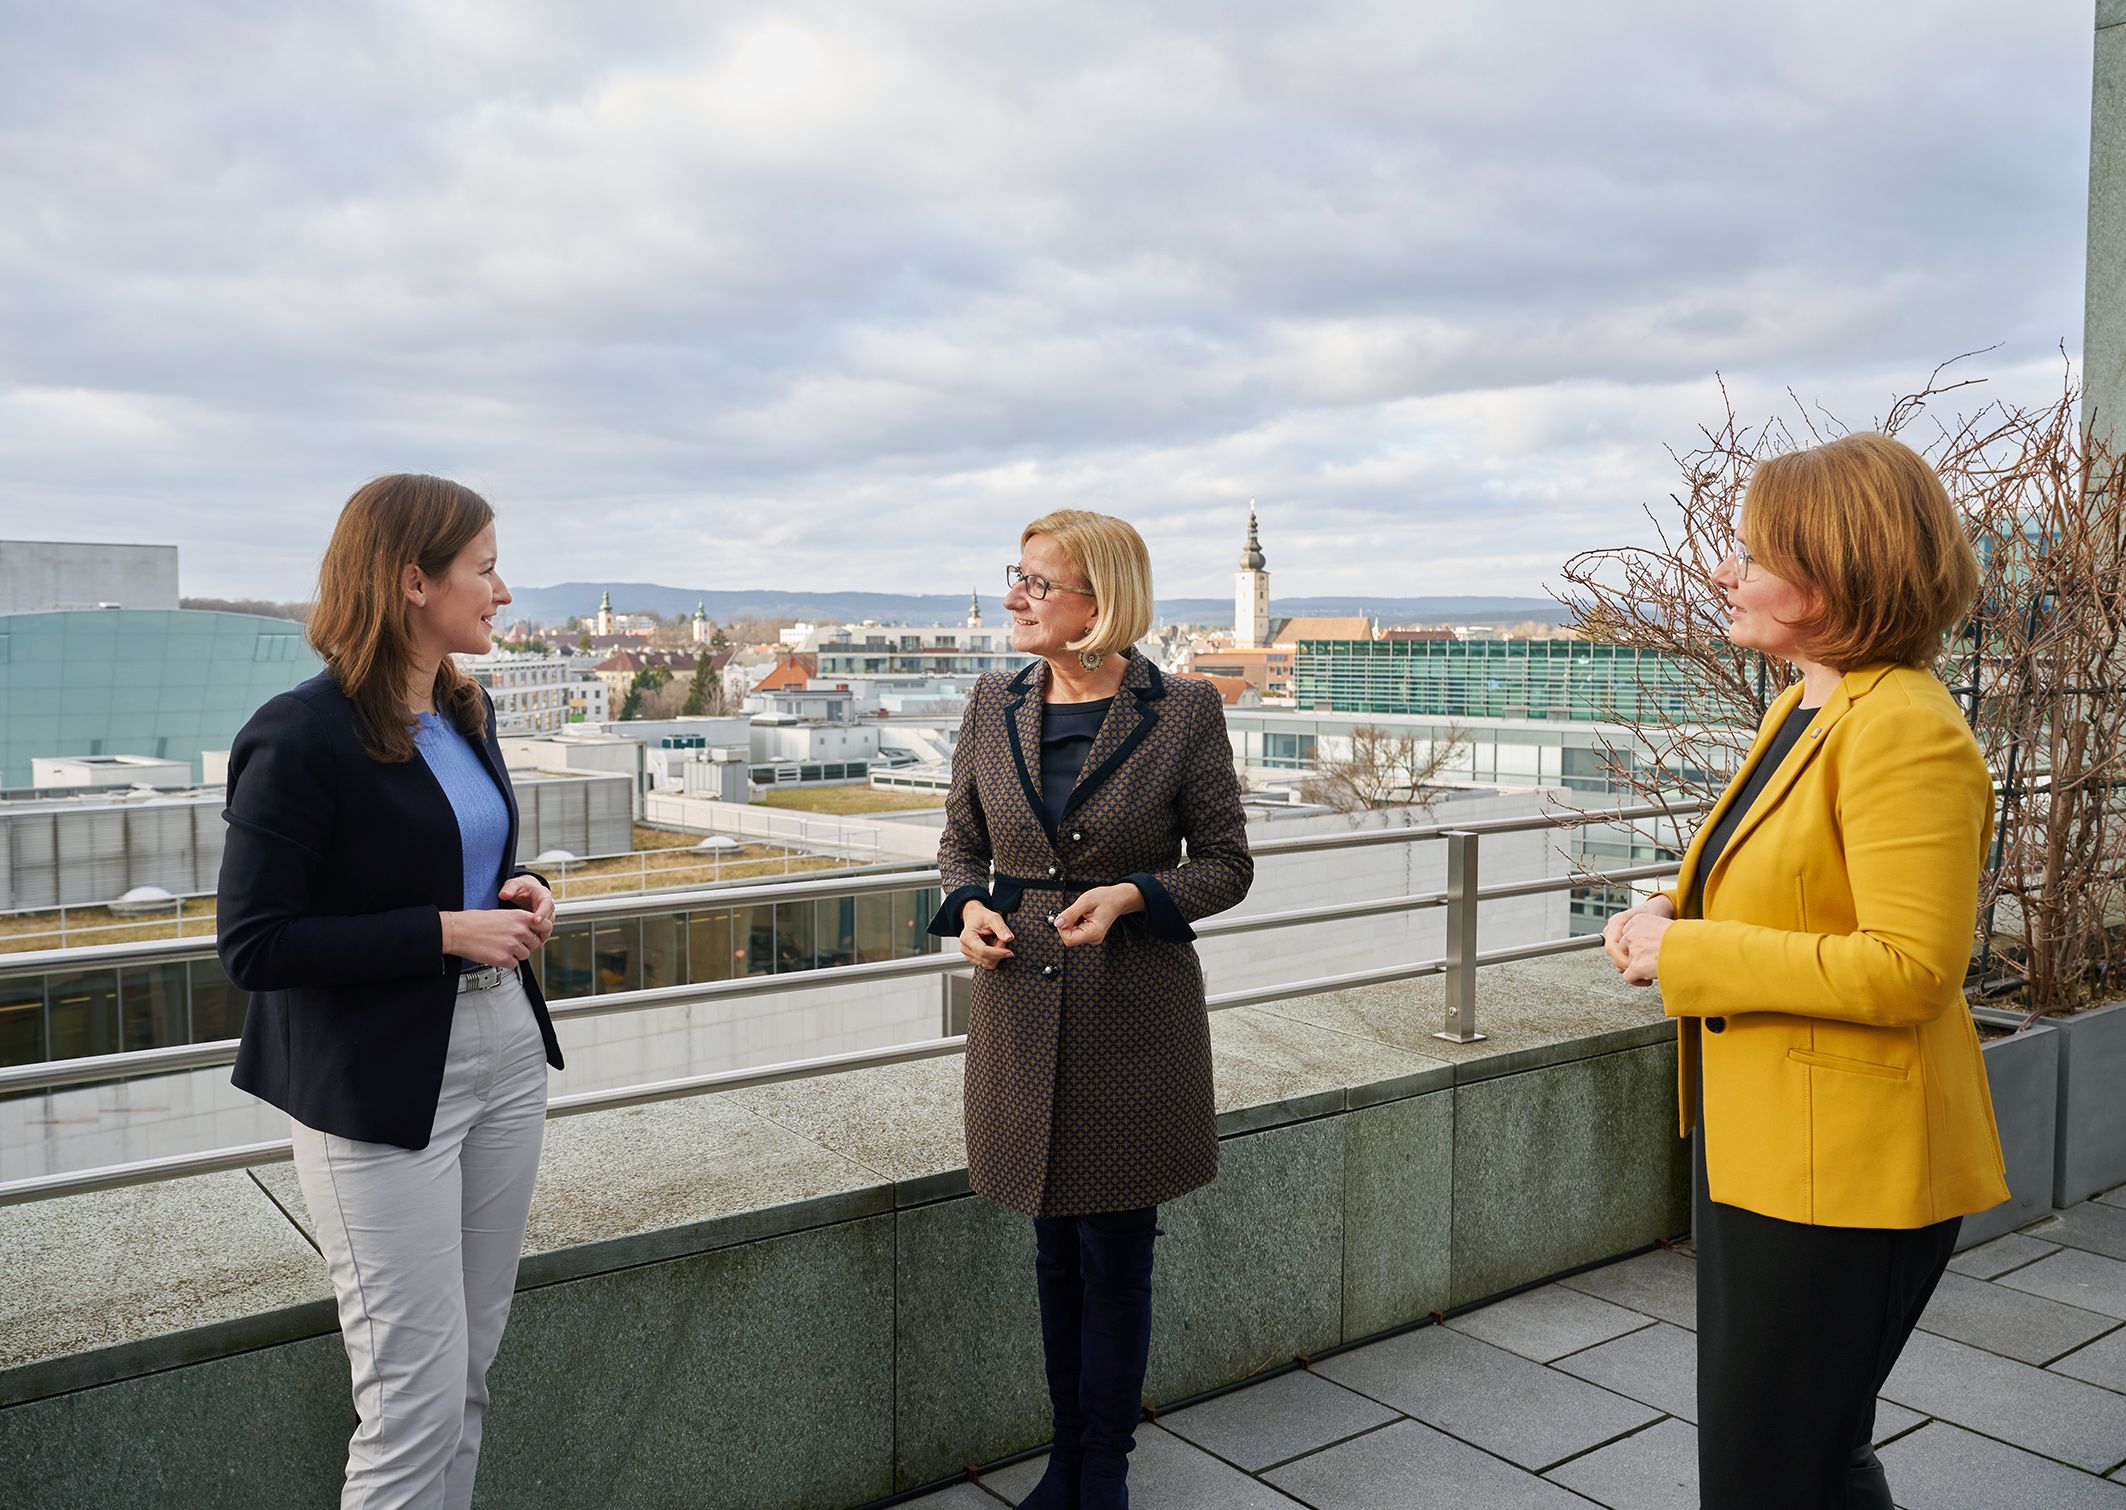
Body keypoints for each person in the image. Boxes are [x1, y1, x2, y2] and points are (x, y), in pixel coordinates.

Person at [1602, 432, 2009, 1509]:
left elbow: (1909, 968)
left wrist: (1688, 952)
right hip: (1774, 1148)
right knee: (1789, 1464)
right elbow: (1796, 884)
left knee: (1778, 1469)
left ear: (1831, 576)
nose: (1722, 572)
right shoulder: (1807, 704)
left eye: (1750, 554)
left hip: (1847, 1170)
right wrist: (1672, 909)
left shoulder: (1904, 730)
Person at [218, 474, 565, 1510]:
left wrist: (519, 890)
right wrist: (445, 931)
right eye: (485, 569)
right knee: (412, 1398)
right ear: (414, 581)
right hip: (377, 1084)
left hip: (504, 1055)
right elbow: (254, 943)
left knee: (467, 1377)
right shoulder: (298, 733)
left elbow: (442, 859)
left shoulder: (463, 706)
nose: (503, 591)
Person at [931, 509, 1253, 1509]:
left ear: (1100, 600)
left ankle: (1102, 1467)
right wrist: (970, 908)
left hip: (1132, 1012)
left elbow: (1227, 866)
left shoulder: (1183, 709)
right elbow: (958, 844)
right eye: (1016, 576)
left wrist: (1132, 896)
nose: (1013, 598)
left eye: (1037, 583)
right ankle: (1065, 1459)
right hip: (1017, 1009)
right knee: (1050, 1245)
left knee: (1114, 1251)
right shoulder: (991, 700)